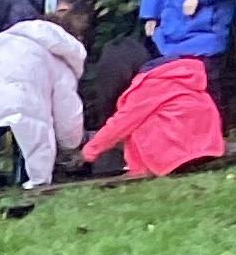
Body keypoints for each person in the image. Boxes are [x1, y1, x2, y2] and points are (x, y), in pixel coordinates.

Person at [0, 0, 92, 191]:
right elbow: (67, 110)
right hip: (21, 91)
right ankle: (27, 178)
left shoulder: (13, 34)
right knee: (30, 132)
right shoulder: (59, 57)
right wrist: (71, 143)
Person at [80, 51, 225, 178]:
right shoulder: (183, 76)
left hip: (175, 156)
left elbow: (120, 124)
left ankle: (142, 168)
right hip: (208, 146)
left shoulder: (146, 87)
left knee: (135, 123)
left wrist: (89, 151)